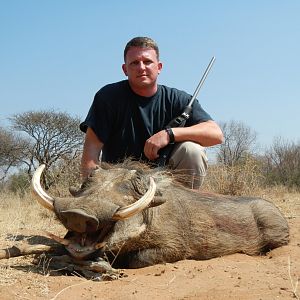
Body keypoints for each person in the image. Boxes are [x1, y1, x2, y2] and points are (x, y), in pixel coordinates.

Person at [79, 36, 223, 189]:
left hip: (168, 188)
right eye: (134, 63)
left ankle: (182, 210)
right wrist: (91, 193)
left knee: (192, 150)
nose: (141, 67)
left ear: (159, 67)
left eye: (147, 62)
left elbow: (216, 134)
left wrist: (169, 134)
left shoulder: (179, 99)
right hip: (120, 185)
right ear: (125, 69)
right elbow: (90, 157)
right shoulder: (107, 97)